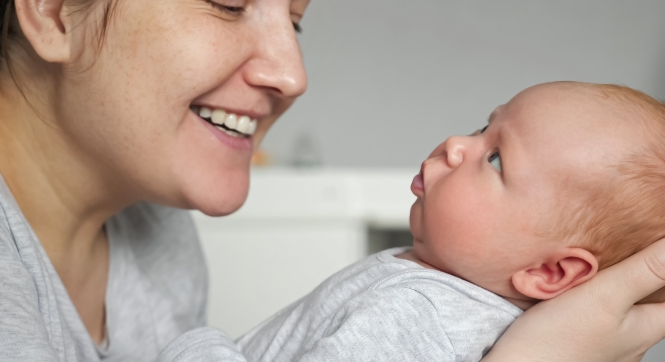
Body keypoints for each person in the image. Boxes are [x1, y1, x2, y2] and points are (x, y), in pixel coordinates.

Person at [0, 0, 664, 360]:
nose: (293, 75)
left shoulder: (154, 227)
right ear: (54, 7)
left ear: (552, 271)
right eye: (227, 3)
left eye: (296, 17)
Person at [236, 82, 665, 361]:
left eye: (495, 158)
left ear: (548, 272)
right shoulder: (433, 290)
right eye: (483, 128)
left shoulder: (421, 320)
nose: (456, 144)